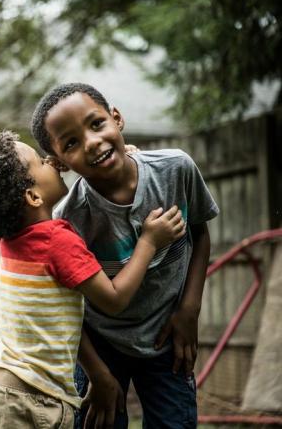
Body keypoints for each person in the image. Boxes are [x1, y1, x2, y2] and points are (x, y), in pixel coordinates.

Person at [0, 131, 186, 429]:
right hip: (35, 397)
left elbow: (69, 321)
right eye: (40, 161)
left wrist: (114, 160)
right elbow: (114, 300)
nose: (51, 161)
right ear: (33, 197)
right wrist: (150, 241)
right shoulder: (56, 242)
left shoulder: (11, 237)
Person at [30, 83, 220, 428]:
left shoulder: (176, 169)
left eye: (96, 124)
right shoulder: (68, 220)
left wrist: (189, 310)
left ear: (116, 118)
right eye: (71, 142)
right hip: (99, 349)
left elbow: (200, 233)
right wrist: (98, 376)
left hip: (166, 336)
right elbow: (67, 308)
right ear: (58, 161)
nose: (91, 142)